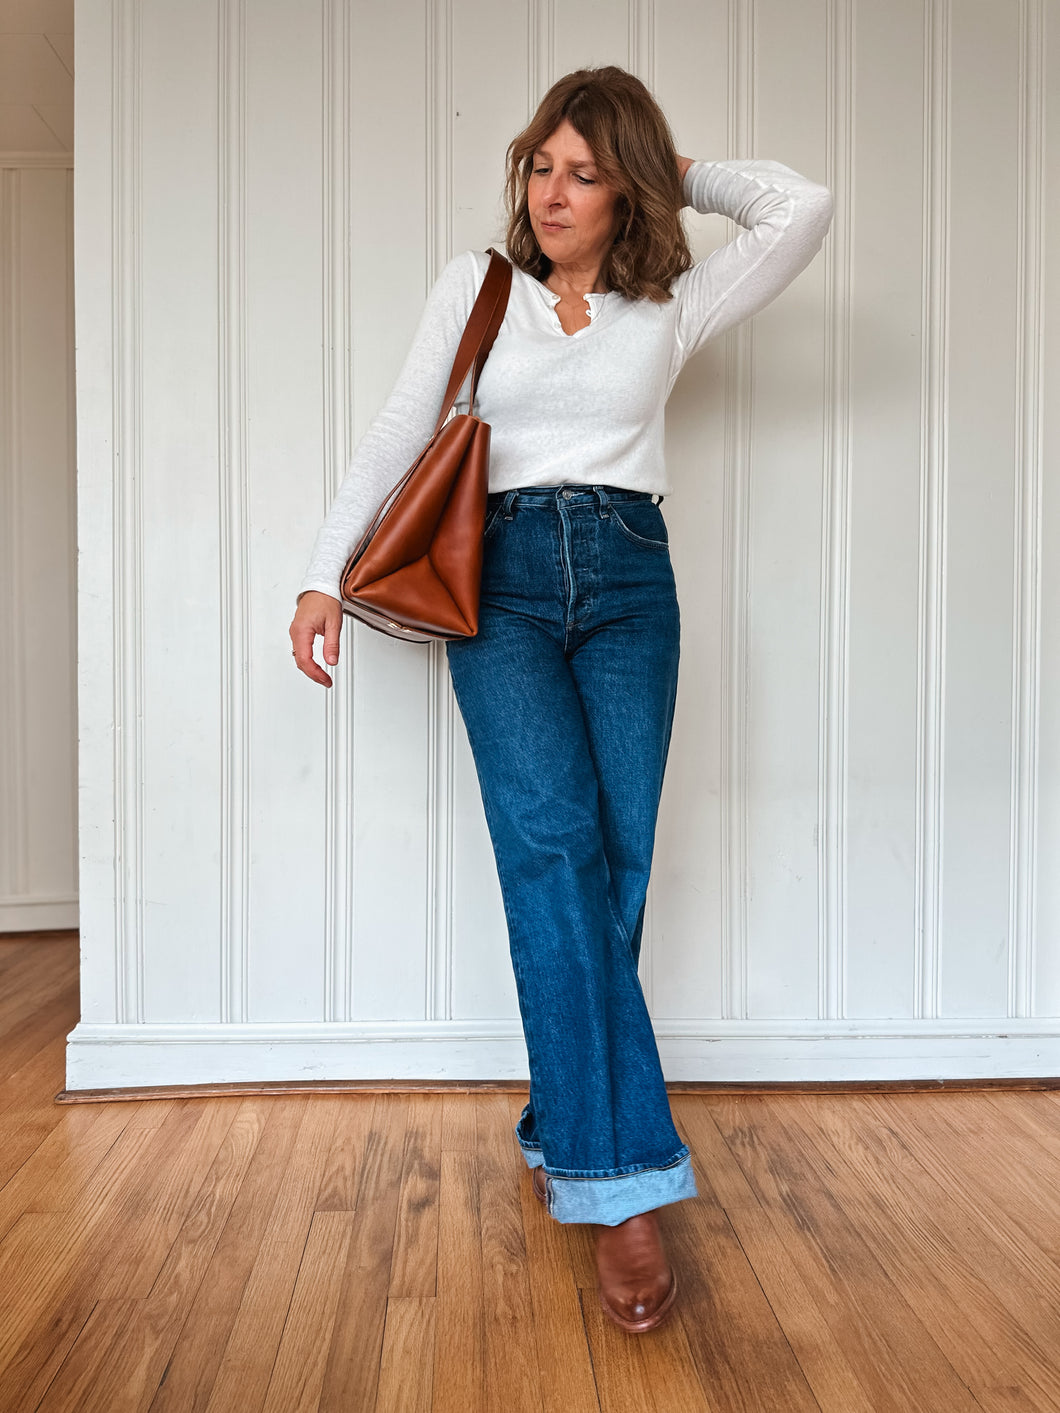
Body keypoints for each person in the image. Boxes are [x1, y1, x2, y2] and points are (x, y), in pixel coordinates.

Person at [290, 65, 833, 1334]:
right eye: (542, 163)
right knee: (551, 855)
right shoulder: (477, 290)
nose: (553, 192)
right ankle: (618, 1193)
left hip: (635, 585)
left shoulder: (675, 307)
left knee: (619, 868)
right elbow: (394, 432)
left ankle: (562, 1119)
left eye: (586, 172)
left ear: (627, 188)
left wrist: (678, 169)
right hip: (506, 588)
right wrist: (321, 574)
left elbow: (802, 209)